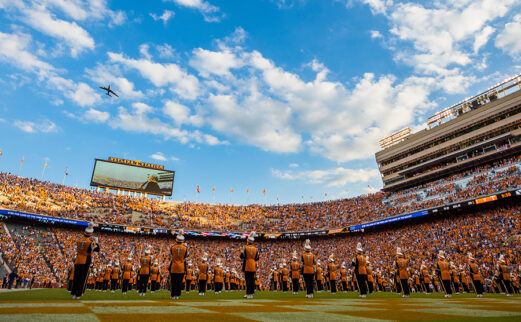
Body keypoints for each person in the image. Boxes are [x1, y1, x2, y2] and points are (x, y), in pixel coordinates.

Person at [71, 223, 99, 299]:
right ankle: (78, 293)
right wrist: (96, 242)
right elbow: (97, 249)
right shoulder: (91, 241)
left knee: (76, 277)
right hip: (85, 260)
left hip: (78, 259)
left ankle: (74, 293)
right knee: (82, 278)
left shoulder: (79, 239)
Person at [240, 231, 259, 299]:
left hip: (247, 265)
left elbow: (242, 257)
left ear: (248, 241)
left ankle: (248, 293)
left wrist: (242, 252)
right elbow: (257, 258)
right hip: (253, 265)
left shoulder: (245, 248)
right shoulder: (256, 249)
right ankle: (251, 293)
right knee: (252, 280)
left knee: (247, 280)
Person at [170, 230, 188, 299]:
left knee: (173, 282)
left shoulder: (172, 247)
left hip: (174, 266)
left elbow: (171, 254)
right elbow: (185, 256)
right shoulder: (185, 248)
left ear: (176, 240)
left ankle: (173, 295)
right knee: (179, 282)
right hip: (181, 266)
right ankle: (177, 295)